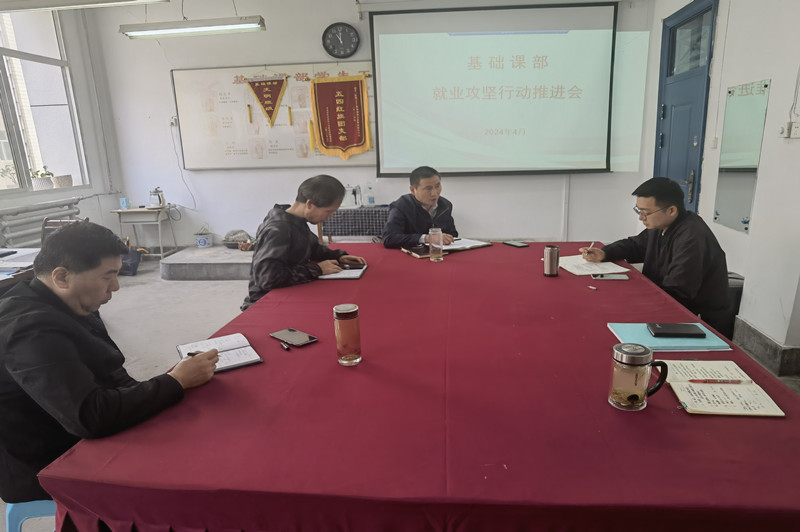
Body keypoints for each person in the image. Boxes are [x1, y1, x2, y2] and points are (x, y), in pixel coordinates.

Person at [0, 221, 219, 503]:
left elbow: (112, 372)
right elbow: (89, 418)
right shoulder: (30, 330)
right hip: (49, 459)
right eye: (108, 276)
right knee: (194, 476)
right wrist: (175, 381)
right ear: (62, 277)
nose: (115, 286)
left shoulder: (69, 301)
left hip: (79, 426)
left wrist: (164, 388)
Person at [580, 177, 731, 336]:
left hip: (697, 323)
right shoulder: (662, 225)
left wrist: (633, 300)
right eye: (639, 211)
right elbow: (635, 245)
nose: (641, 218)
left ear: (671, 210)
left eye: (646, 213)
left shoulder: (691, 237)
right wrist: (605, 253)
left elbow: (677, 291)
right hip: (664, 304)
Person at [241, 175, 367, 311]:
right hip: (267, 302)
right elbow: (267, 278)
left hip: (289, 292)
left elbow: (313, 248)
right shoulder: (279, 229)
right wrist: (317, 269)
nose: (330, 216)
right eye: (328, 211)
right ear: (309, 204)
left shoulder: (296, 221)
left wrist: (338, 256)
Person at [382, 166, 458, 249]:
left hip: (439, 253)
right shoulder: (401, 207)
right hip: (408, 254)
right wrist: (427, 238)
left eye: (437, 186)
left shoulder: (445, 206)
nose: (434, 193)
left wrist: (447, 238)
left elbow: (453, 235)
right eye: (428, 188)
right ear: (412, 190)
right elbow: (389, 238)